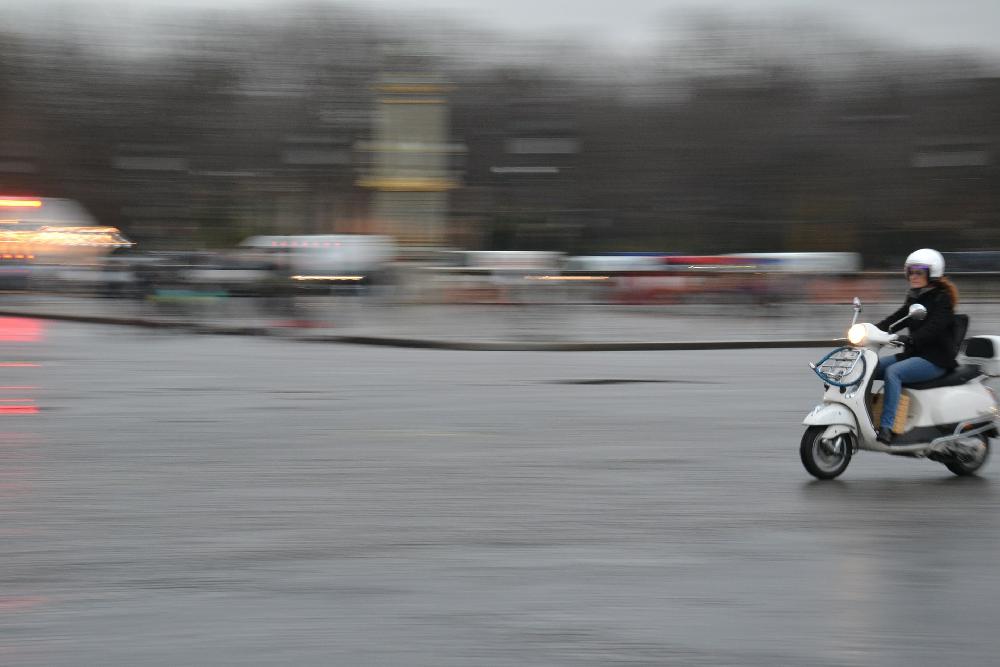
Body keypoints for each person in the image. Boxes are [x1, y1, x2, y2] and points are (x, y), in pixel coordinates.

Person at [873, 248, 960, 444]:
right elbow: (896, 319)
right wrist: (870, 330)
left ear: (932, 273)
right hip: (914, 355)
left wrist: (912, 339)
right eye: (910, 272)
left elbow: (934, 328)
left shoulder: (942, 299)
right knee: (868, 367)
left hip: (935, 359)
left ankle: (887, 427)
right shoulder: (915, 297)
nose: (913, 276)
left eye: (919, 272)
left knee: (893, 373)